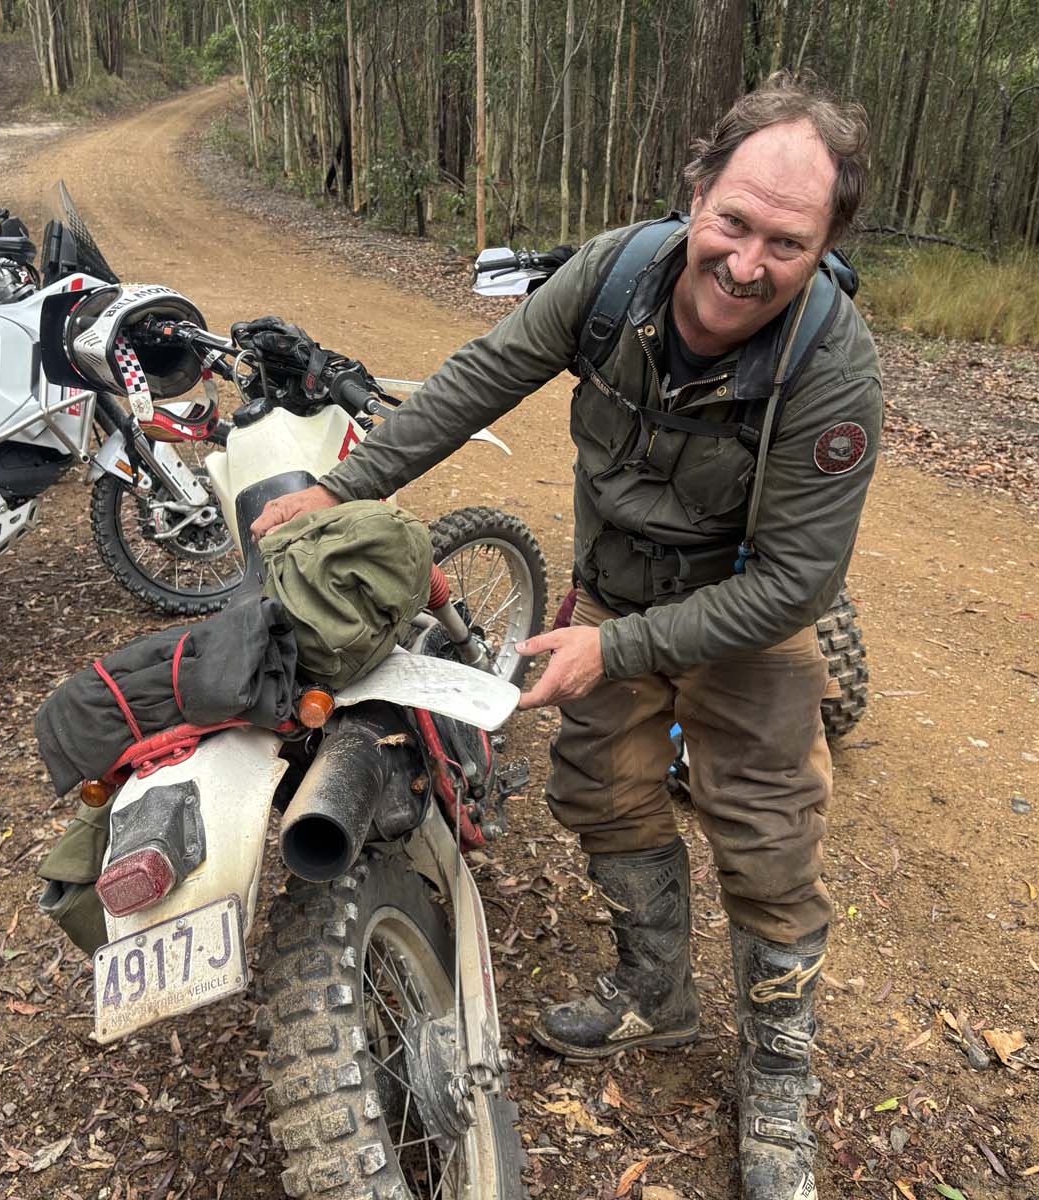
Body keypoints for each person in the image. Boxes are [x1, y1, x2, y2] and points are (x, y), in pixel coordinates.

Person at [251, 72, 878, 1200]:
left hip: (744, 615)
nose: (746, 265)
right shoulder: (615, 277)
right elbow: (484, 376)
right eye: (733, 222)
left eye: (787, 243)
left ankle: (780, 1077)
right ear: (697, 189)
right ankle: (655, 995)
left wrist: (612, 650)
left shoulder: (830, 370)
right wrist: (344, 487)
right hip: (616, 591)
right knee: (603, 791)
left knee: (769, 842)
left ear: (826, 243)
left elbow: (797, 583)